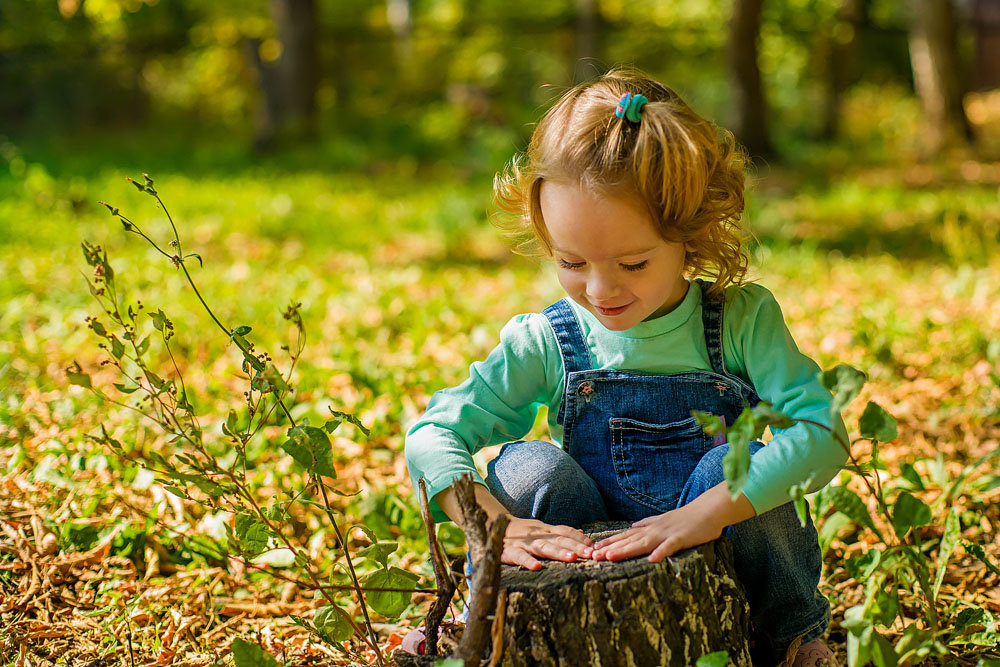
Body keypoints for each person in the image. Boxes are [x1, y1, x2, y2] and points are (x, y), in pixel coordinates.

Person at [404, 67, 847, 666]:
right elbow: (434, 433)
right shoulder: (551, 338)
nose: (600, 288)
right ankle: (476, 615)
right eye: (570, 260)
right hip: (582, 544)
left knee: (731, 464)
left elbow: (821, 434)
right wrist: (491, 521)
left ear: (690, 236)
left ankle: (790, 635)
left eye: (633, 264)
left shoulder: (738, 321)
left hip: (716, 538)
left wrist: (705, 514)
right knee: (530, 466)